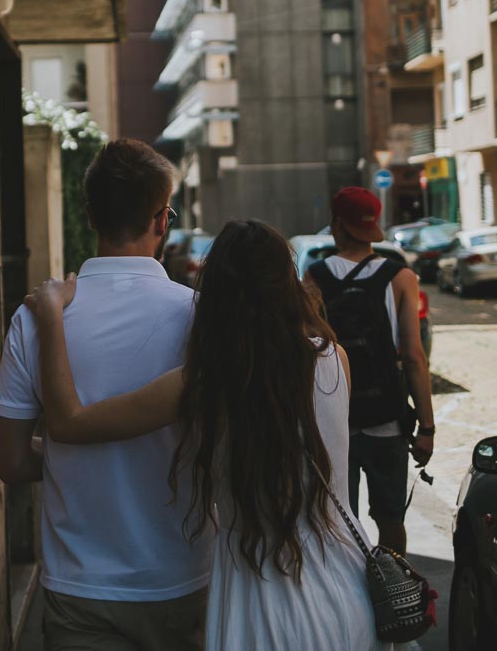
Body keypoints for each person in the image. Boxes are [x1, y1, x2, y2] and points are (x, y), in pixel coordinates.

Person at [25, 219, 407, 650]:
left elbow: (69, 422)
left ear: (218, 296)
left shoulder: (208, 383)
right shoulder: (334, 358)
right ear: (288, 282)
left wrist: (52, 315)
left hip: (263, 610)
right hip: (350, 598)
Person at [0, 138, 209, 650]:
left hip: (78, 585)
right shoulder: (199, 315)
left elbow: (11, 461)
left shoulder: (37, 317)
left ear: (89, 216)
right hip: (180, 576)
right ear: (162, 220)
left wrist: (67, 454)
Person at [301, 187, 435, 557]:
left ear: (338, 226)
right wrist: (426, 427)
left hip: (333, 419)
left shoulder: (314, 278)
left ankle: (350, 603)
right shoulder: (401, 278)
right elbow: (413, 356)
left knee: (339, 519)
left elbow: (306, 352)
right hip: (387, 420)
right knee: (391, 519)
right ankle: (394, 594)